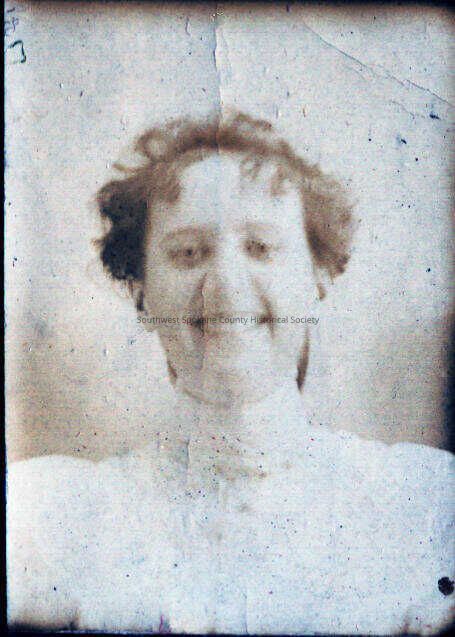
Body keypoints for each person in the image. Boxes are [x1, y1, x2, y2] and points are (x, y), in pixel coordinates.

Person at [7, 112, 454, 634]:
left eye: (260, 248)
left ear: (317, 278)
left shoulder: (422, 504)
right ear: (141, 292)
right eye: (188, 252)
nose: (225, 283)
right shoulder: (57, 518)